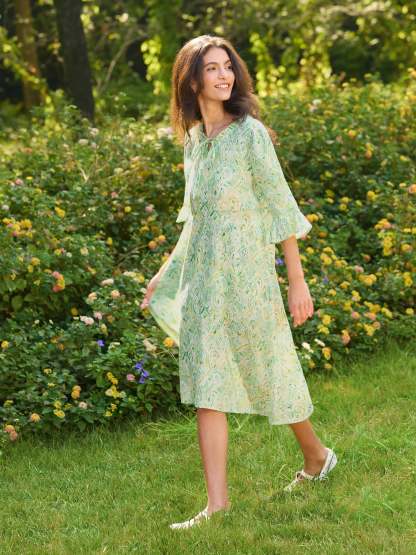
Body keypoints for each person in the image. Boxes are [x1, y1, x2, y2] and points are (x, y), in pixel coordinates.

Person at [141, 34, 337, 530]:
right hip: (204, 282)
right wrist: (164, 274)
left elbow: (280, 206)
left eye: (227, 66)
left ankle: (316, 456)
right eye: (212, 68)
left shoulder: (250, 134)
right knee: (207, 384)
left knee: (269, 369)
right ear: (192, 80)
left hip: (249, 275)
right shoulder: (193, 143)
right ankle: (217, 506)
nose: (224, 75)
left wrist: (297, 281)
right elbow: (195, 219)